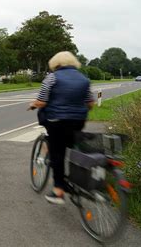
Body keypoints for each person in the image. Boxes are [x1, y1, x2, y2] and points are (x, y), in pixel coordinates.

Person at [29, 51, 95, 204]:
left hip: (57, 122)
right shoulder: (84, 79)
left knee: (57, 153)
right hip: (78, 121)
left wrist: (33, 104)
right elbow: (90, 104)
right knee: (71, 147)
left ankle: (58, 190)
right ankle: (77, 181)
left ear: (55, 64)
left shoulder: (52, 77)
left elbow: (42, 101)